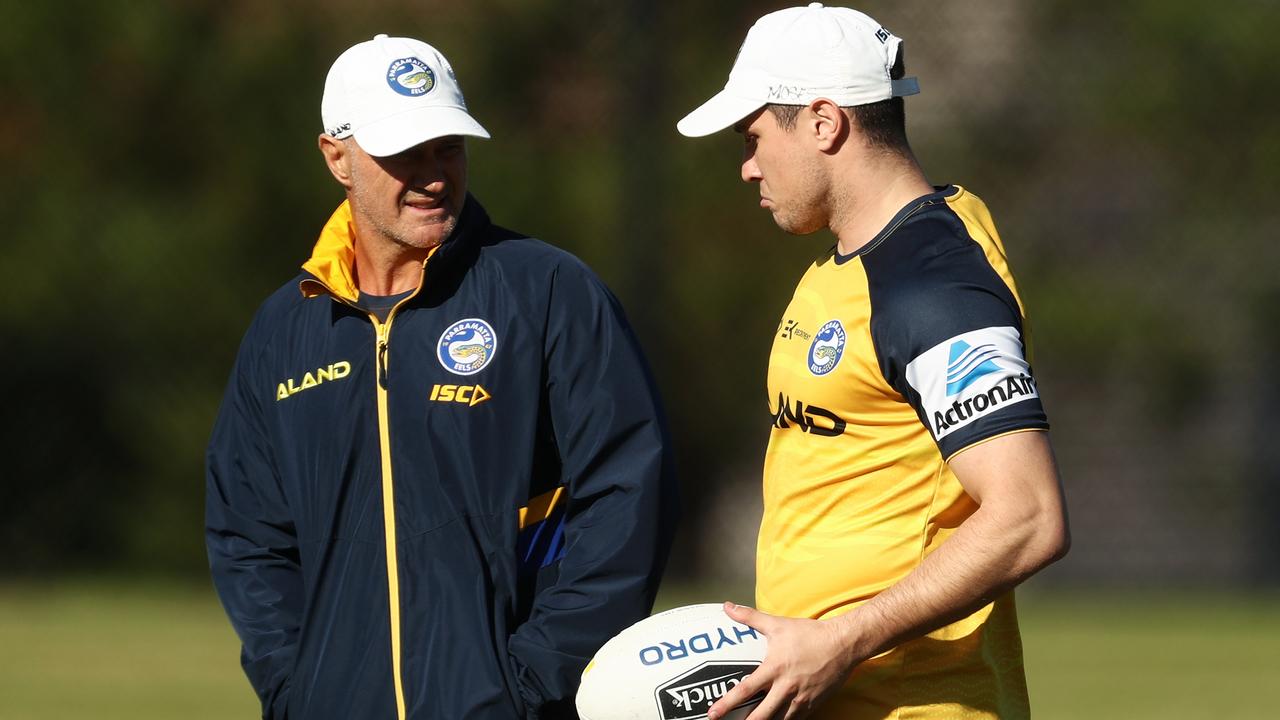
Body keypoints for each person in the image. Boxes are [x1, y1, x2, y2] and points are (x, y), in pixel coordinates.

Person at [205, 34, 678, 720]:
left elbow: (629, 495)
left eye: (447, 147)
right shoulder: (284, 329)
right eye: (403, 153)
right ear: (337, 158)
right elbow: (249, 536)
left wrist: (535, 683)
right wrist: (294, 686)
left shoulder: (549, 291)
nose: (432, 175)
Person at [676, 5, 1069, 719]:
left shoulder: (933, 285)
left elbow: (1029, 515)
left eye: (755, 137)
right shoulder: (848, 265)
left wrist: (843, 641)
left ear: (824, 123)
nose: (747, 166)